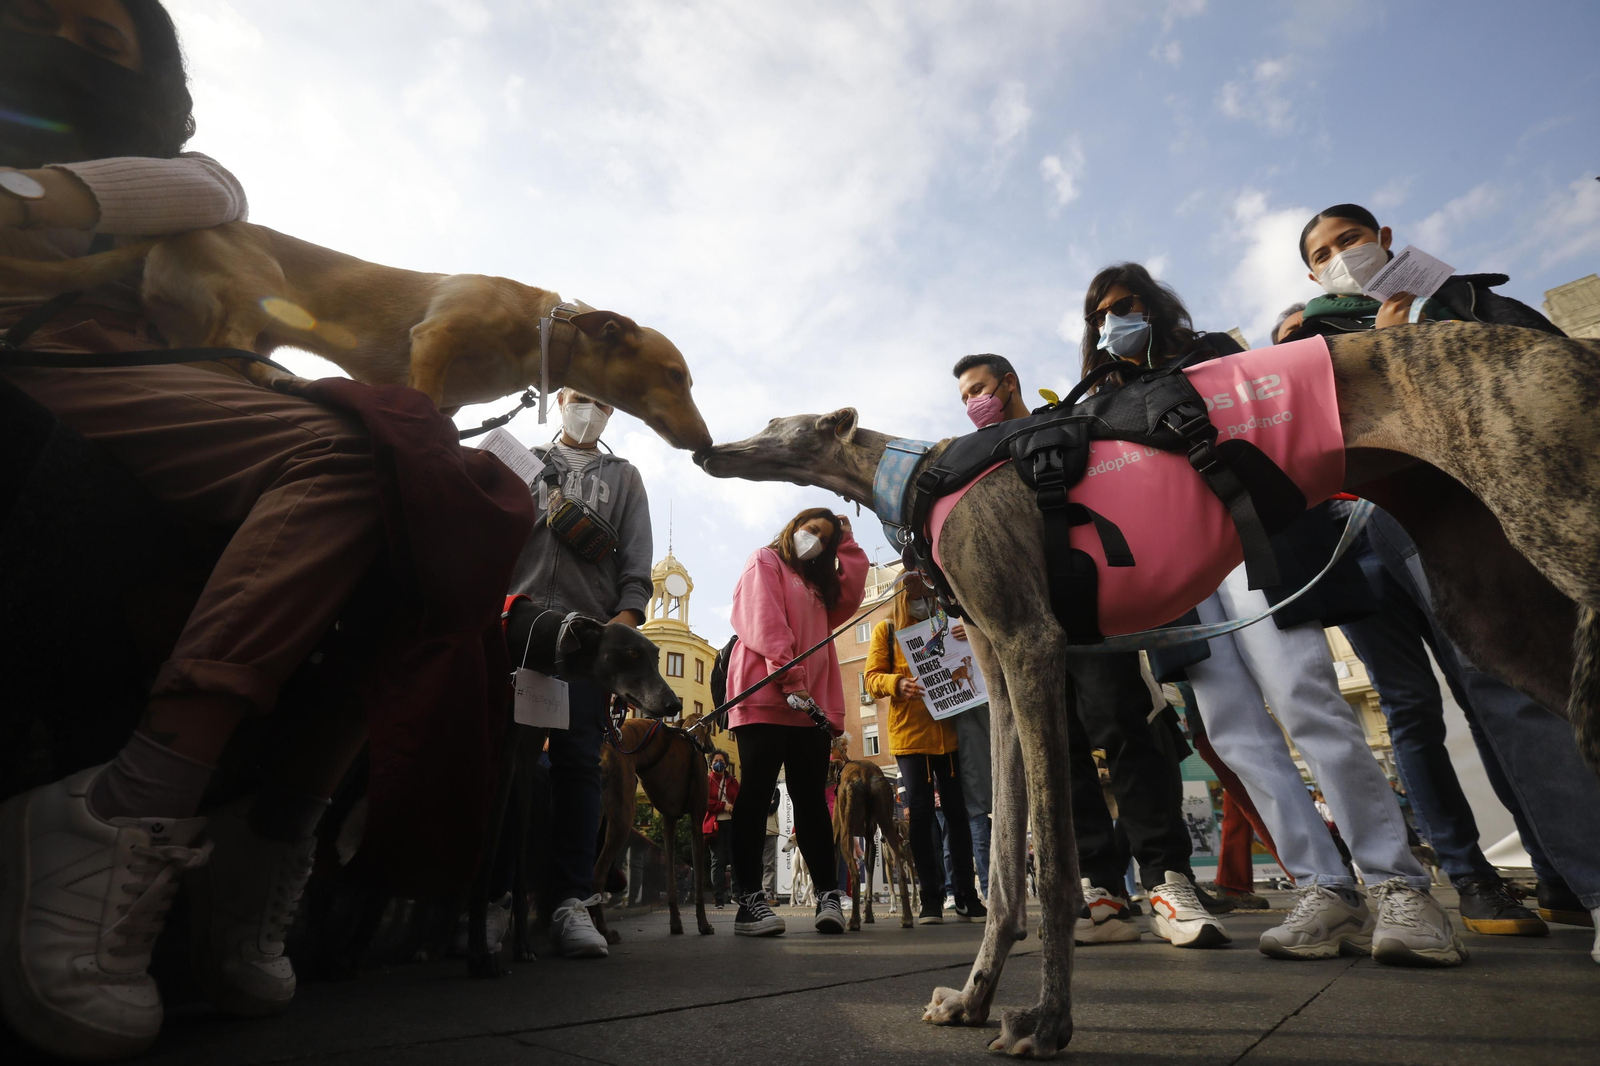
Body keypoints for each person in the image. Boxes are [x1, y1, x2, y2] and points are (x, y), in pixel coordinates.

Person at [0, 6, 422, 1058]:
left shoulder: (163, 183)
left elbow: (210, 186)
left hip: (129, 361)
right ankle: (124, 812)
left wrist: (41, 193)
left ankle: (268, 830)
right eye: (38, 22)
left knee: (421, 484)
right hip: (36, 349)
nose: (62, 45)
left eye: (101, 40)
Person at [1092, 263, 1464, 967]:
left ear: (1155, 307)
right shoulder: (1100, 403)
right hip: (1173, 573)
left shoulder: (1218, 357)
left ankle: (1395, 885)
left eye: (1125, 306)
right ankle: (1324, 886)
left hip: (1250, 540)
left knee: (1305, 699)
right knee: (1233, 730)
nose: (1113, 323)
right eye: (1101, 315)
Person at [954, 350, 1226, 949]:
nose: (974, 402)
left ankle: (1166, 878)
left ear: (1008, 383)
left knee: (1124, 725)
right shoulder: (974, 460)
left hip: (1092, 607)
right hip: (1029, 624)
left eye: (978, 388)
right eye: (964, 396)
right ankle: (1100, 886)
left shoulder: (1069, 421)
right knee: (1059, 749)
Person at [509, 386, 654, 958]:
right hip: (518, 625)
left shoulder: (625, 477)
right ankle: (495, 895)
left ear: (612, 411)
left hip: (585, 640)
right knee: (503, 758)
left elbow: (637, 572)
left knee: (577, 765)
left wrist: (614, 634)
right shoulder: (523, 461)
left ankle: (572, 900)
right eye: (576, 396)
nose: (586, 407)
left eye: (598, 400)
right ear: (558, 398)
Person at [726, 507, 867, 936]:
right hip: (765, 694)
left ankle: (828, 894)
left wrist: (846, 538)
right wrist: (791, 678)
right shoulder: (765, 560)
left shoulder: (820, 588)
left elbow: (855, 590)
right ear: (793, 526)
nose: (816, 541)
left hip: (809, 707)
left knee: (809, 798)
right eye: (812, 530)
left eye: (824, 538)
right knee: (756, 790)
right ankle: (749, 899)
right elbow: (764, 620)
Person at [864, 575, 987, 923]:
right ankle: (931, 898)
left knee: (958, 814)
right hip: (910, 737)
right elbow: (872, 678)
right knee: (919, 815)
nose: (919, 587)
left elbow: (975, 664)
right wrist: (897, 683)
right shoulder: (886, 631)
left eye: (924, 580)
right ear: (903, 588)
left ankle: (966, 894)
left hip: (950, 735)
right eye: (911, 581)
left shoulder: (950, 621)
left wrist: (972, 635)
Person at [703, 750, 739, 906]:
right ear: (711, 763)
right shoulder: (706, 781)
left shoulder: (732, 781)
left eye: (722, 760)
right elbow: (705, 802)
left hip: (732, 823)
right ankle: (718, 898)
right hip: (715, 825)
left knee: (736, 859)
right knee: (717, 861)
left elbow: (739, 799)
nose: (719, 763)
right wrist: (723, 806)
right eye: (716, 760)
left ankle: (737, 895)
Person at [762, 785, 782, 904]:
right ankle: (759, 893)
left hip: (771, 830)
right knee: (759, 864)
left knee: (769, 863)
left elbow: (773, 807)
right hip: (761, 829)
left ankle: (767, 893)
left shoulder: (775, 790)